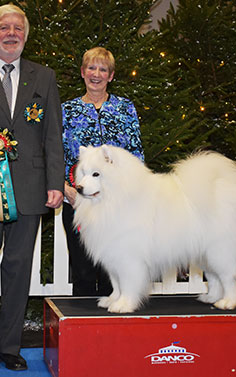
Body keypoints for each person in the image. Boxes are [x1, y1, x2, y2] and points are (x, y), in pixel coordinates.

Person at [0, 4, 64, 371]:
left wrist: (55, 183)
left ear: (25, 35)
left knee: (18, 270)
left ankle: (9, 348)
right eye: (3, 27)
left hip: (29, 191)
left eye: (17, 28)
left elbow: (52, 134)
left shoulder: (43, 77)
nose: (11, 33)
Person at [62, 47, 144, 296]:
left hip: (116, 206)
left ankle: (115, 330)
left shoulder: (125, 108)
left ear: (110, 76)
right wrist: (65, 189)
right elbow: (53, 155)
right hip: (78, 202)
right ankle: (83, 332)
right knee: (83, 271)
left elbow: (136, 155)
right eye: (91, 67)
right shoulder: (66, 110)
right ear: (82, 72)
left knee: (114, 271)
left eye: (102, 69)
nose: (96, 74)